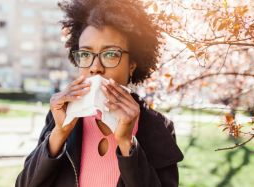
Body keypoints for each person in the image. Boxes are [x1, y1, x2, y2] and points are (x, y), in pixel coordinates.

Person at [16, 0, 184, 186]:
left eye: (110, 54)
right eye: (86, 55)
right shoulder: (62, 117)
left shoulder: (157, 127)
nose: (95, 68)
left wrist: (126, 142)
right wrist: (59, 133)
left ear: (132, 66)